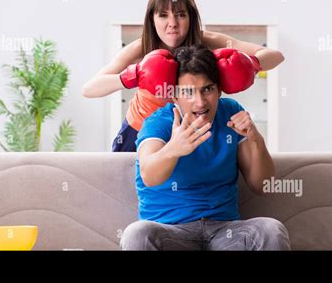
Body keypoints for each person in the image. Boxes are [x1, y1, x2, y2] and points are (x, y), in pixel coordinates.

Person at [120, 45, 290, 250]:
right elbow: (149, 175)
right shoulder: (160, 122)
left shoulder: (231, 113)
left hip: (225, 231)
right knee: (136, 234)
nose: (200, 102)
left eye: (207, 89)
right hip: (171, 231)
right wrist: (174, 148)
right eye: (188, 92)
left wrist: (256, 139)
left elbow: (264, 186)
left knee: (271, 229)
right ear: (174, 95)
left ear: (219, 90)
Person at [82, 0, 285, 152]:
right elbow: (89, 89)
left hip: (192, 131)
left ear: (190, 17)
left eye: (180, 14)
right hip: (139, 133)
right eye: (163, 15)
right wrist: (134, 74)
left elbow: (275, 56)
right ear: (152, 19)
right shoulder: (140, 48)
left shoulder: (207, 40)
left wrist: (250, 64)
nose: (172, 23)